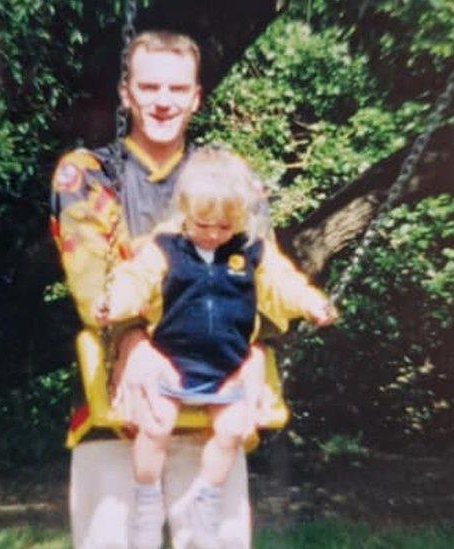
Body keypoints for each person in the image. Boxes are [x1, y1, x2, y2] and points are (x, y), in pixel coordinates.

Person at [50, 31, 264, 548]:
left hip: (213, 407)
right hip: (117, 405)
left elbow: (258, 277)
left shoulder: (229, 180)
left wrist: (258, 350)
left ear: (196, 97)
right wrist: (131, 339)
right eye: (148, 87)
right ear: (126, 92)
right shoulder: (87, 174)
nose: (163, 101)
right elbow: (92, 283)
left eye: (177, 88)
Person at [94, 148, 337, 549]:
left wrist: (312, 303)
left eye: (224, 227)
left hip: (227, 366)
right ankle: (147, 498)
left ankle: (204, 499)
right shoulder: (166, 249)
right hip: (171, 363)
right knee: (155, 426)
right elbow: (133, 280)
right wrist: (114, 305)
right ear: (184, 210)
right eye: (203, 224)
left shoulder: (252, 253)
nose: (211, 234)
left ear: (239, 219)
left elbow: (284, 284)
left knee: (233, 429)